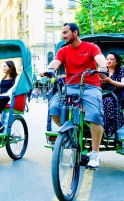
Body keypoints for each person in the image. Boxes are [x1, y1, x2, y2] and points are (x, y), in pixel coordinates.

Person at [40, 23, 107, 169]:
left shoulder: (90, 47)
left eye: (65, 33)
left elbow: (100, 58)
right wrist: (49, 69)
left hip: (90, 85)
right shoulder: (64, 50)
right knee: (54, 108)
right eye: (62, 33)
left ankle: (94, 154)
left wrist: (103, 67)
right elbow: (56, 62)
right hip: (70, 86)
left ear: (75, 33)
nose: (63, 36)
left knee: (95, 114)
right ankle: (70, 135)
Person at [100, 52, 124, 135]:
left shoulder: (122, 71)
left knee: (108, 101)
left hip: (116, 95)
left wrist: (110, 81)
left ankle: (109, 127)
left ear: (116, 62)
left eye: (112, 59)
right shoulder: (101, 70)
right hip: (101, 94)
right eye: (107, 59)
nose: (109, 61)